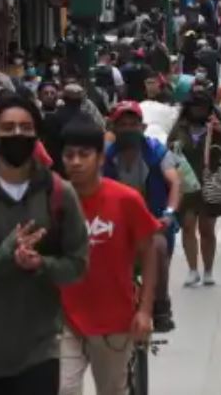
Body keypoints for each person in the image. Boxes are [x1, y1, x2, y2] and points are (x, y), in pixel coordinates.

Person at [0, 94, 89, 395]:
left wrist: (41, 264)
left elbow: (77, 264)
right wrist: (5, 255)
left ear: (37, 133)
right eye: (8, 128)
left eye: (26, 127)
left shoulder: (59, 194)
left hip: (40, 348)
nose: (17, 134)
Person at [56, 119, 159, 395]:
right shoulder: (53, 201)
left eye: (84, 154)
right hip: (65, 317)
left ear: (101, 158)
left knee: (112, 389)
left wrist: (145, 310)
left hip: (114, 320)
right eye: (69, 155)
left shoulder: (126, 200)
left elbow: (149, 251)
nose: (76, 162)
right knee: (63, 388)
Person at [104, 101, 183, 332]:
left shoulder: (157, 152)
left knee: (158, 246)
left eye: (133, 124)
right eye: (123, 124)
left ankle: (161, 304)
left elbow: (175, 183)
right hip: (116, 223)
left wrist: (169, 213)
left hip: (153, 221)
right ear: (113, 128)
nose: (128, 129)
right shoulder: (105, 157)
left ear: (143, 127)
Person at [168, 92, 221, 288]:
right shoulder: (179, 128)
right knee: (187, 226)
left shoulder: (217, 127)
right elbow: (168, 150)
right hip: (187, 184)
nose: (198, 111)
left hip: (212, 182)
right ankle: (192, 270)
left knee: (207, 229)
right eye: (195, 107)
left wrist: (220, 134)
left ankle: (208, 270)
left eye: (202, 107)